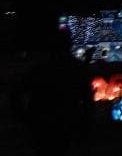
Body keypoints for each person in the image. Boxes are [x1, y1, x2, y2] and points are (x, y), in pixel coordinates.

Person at [12, 27, 93, 156]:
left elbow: (16, 93)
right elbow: (88, 99)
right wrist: (85, 123)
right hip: (65, 122)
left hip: (42, 123)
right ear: (69, 44)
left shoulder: (39, 69)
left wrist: (24, 117)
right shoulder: (76, 69)